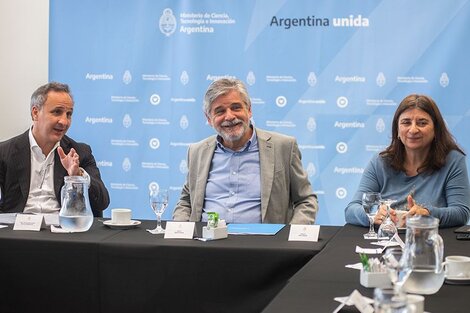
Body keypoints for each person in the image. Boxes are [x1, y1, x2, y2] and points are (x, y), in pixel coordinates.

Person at [173, 78, 318, 224]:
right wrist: (180, 233)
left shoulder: (283, 147)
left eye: (236, 107)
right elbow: (187, 200)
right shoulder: (197, 151)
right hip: (205, 242)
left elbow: (306, 200)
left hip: (264, 244)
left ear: (249, 110)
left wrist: (291, 237)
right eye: (220, 111)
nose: (229, 116)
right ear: (209, 118)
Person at [345, 94, 470, 228]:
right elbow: (351, 210)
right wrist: (373, 215)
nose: (413, 129)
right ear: (397, 130)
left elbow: (461, 213)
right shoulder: (380, 161)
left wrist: (428, 214)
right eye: (406, 122)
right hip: (385, 241)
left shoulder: (453, 160)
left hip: (428, 241)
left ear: (436, 129)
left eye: (422, 123)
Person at [0, 82, 110, 217]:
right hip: (17, 232)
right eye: (57, 112)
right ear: (35, 113)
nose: (64, 121)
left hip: (63, 231)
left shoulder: (79, 152)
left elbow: (102, 202)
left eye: (68, 114)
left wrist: (78, 175)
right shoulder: (5, 152)